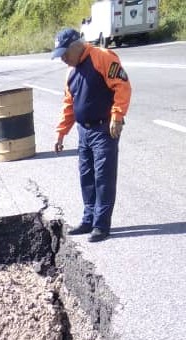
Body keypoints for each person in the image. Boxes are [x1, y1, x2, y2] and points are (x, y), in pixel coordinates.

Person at [52, 28, 132, 242]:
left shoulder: (102, 58)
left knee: (103, 178)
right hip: (83, 131)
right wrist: (61, 132)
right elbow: (69, 104)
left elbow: (122, 86)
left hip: (104, 129)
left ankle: (101, 225)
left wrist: (117, 115)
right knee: (86, 177)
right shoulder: (71, 72)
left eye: (64, 53)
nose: (62, 59)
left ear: (76, 46)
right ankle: (88, 219)